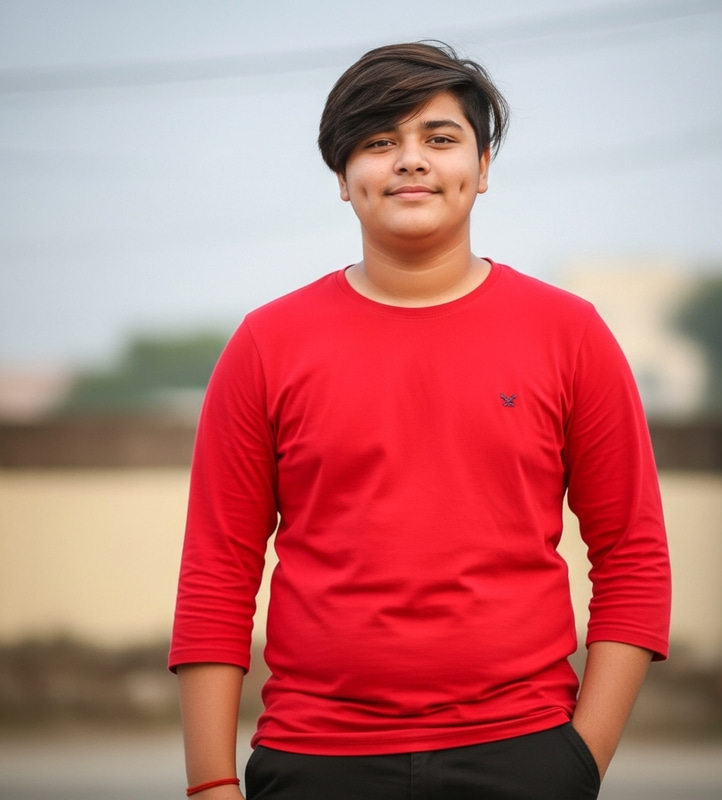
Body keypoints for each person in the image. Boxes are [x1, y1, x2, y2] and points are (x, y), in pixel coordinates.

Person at [170, 41, 671, 800]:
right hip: (315, 757)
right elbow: (218, 569)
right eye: (379, 142)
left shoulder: (568, 334)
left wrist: (579, 761)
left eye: (440, 138)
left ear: (484, 166)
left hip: (524, 751)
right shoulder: (267, 344)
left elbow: (633, 555)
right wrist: (210, 783)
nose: (410, 160)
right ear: (342, 177)